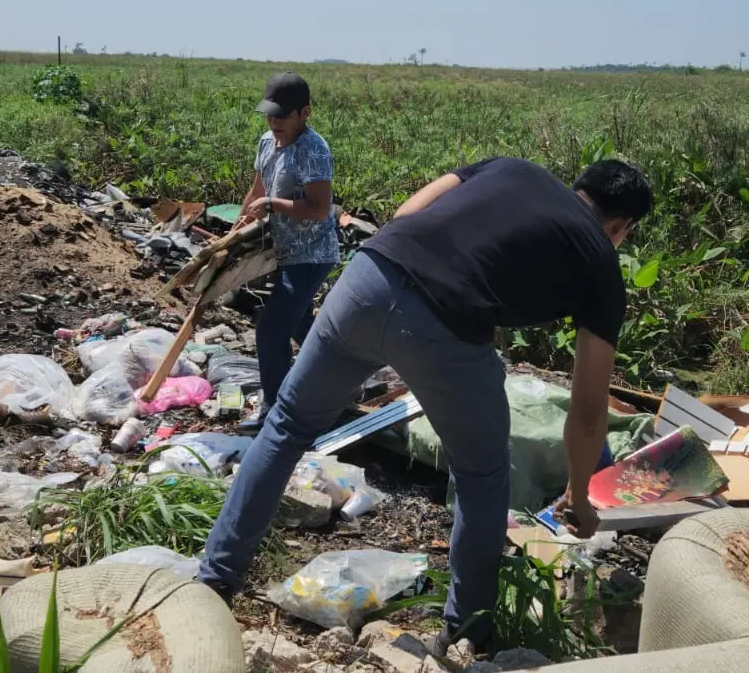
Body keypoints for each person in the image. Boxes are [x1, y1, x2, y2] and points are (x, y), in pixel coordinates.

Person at [199, 156, 651, 653]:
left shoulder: (511, 168)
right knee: (482, 478)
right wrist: (579, 496)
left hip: (367, 278)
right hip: (444, 326)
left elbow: (406, 212)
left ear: (578, 185)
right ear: (622, 227)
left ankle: (214, 580)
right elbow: (587, 409)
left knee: (286, 426)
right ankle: (466, 637)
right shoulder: (601, 265)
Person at [232, 71, 339, 433]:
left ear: (304, 113)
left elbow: (319, 209)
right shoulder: (267, 141)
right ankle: (341, 379)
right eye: (269, 115)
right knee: (301, 325)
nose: (273, 123)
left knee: (271, 330)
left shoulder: (313, 150)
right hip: (282, 249)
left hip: (311, 253)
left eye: (282, 116)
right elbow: (257, 190)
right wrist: (235, 232)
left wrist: (273, 205)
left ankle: (274, 412)